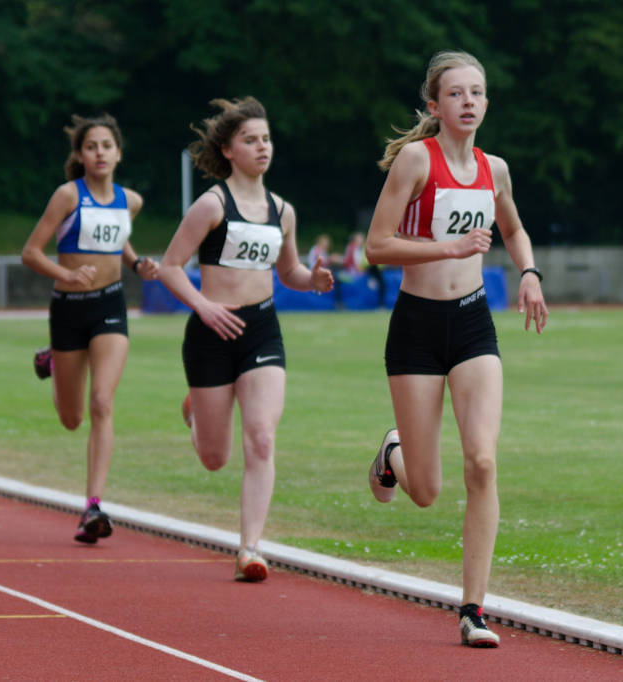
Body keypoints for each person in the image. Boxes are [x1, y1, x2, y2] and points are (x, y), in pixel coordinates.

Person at [363, 51, 548, 647]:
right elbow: (376, 245)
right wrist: (445, 249)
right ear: (434, 106)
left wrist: (528, 273)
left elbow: (514, 229)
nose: (468, 102)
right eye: (456, 94)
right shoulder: (418, 160)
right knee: (425, 491)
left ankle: (473, 610)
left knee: (483, 461)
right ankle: (393, 452)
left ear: (487, 102)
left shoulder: (495, 170)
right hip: (416, 327)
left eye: (477, 92)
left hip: (472, 326)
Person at [157, 97, 334, 582]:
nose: (262, 147)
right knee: (215, 459)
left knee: (261, 437)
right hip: (211, 331)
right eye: (251, 140)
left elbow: (289, 270)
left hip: (260, 328)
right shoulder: (211, 205)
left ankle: (250, 548)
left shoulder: (283, 211)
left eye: (266, 139)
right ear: (229, 150)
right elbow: (170, 267)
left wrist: (310, 280)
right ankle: (195, 411)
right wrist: (203, 305)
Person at [21, 113, 159, 544]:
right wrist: (62, 275)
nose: (100, 153)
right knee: (71, 417)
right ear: (80, 155)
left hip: (109, 306)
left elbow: (116, 239)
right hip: (68, 309)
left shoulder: (130, 200)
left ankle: (92, 506)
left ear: (118, 153)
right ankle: (52, 358)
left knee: (102, 401)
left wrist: (136, 264)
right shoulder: (67, 196)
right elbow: (30, 252)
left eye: (107, 146)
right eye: (91, 146)